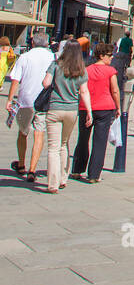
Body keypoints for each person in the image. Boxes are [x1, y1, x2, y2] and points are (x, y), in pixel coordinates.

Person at [42, 41, 93, 192]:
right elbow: (84, 92)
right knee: (64, 144)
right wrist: (89, 111)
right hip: (71, 110)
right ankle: (63, 178)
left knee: (53, 147)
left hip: (55, 108)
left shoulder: (56, 65)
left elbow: (46, 83)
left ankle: (52, 184)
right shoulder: (81, 69)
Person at [5, 32, 55, 182]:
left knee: (23, 132)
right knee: (39, 134)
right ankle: (32, 170)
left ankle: (21, 164)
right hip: (43, 101)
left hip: (25, 100)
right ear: (47, 43)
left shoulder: (25, 57)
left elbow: (15, 80)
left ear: (32, 42)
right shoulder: (52, 57)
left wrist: (9, 99)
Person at [70, 43, 121, 183]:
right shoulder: (111, 71)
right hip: (104, 108)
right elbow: (115, 90)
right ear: (102, 55)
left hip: (86, 108)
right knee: (99, 142)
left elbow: (80, 88)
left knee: (83, 139)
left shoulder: (86, 70)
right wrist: (118, 107)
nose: (112, 58)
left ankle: (77, 170)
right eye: (110, 55)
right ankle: (94, 174)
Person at [111, 30, 134, 95]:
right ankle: (127, 76)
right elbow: (130, 47)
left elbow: (120, 47)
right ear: (129, 35)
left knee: (120, 68)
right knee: (127, 66)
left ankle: (120, 82)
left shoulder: (123, 40)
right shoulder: (130, 40)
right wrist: (130, 53)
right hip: (127, 54)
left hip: (122, 54)